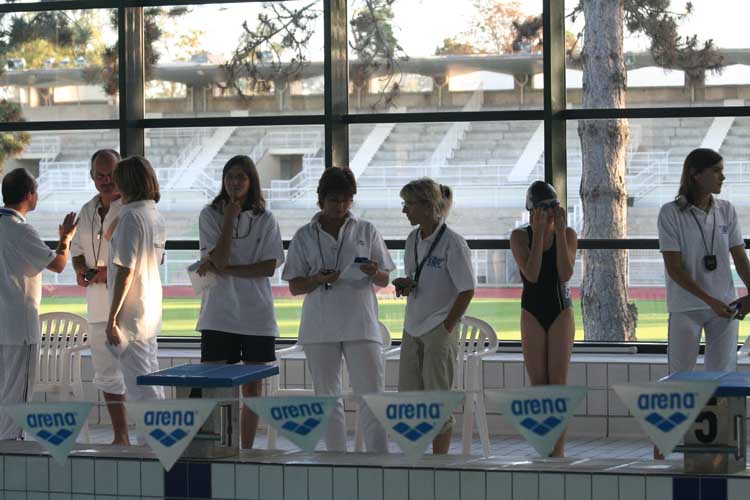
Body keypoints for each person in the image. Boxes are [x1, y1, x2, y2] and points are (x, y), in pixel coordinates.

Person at [282, 167, 393, 453]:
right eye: (334, 200)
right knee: (328, 399)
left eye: (346, 200)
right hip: (320, 327)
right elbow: (294, 286)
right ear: (320, 200)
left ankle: (379, 460)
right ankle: (336, 459)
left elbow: (385, 279)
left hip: (361, 324)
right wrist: (317, 279)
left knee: (371, 396)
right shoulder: (304, 235)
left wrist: (374, 271)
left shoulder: (366, 229)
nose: (341, 206)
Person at [195, 155, 284, 449]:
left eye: (241, 177)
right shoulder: (210, 215)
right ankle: (221, 447)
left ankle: (245, 450)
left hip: (256, 313)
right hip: (218, 313)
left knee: (252, 388)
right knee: (215, 385)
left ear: (251, 181)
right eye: (230, 176)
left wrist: (227, 270)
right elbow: (218, 258)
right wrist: (229, 218)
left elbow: (268, 267)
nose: (234, 182)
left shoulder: (265, 218)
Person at [393, 178, 475, 455]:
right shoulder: (412, 239)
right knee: (410, 401)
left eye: (409, 204)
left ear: (428, 206)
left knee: (437, 402)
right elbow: (419, 277)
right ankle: (415, 459)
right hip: (412, 327)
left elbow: (467, 289)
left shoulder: (453, 242)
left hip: (438, 328)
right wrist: (406, 284)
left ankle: (439, 464)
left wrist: (447, 326)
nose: (404, 210)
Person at [0, 168, 77, 439]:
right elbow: (58, 264)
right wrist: (65, 239)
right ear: (30, 195)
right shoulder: (20, 230)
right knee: (16, 396)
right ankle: (11, 449)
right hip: (18, 327)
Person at [658, 148, 750, 374]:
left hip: (725, 307)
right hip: (686, 307)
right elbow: (674, 269)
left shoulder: (726, 210)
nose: (723, 177)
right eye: (716, 171)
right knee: (681, 377)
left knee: (722, 375)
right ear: (696, 174)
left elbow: (740, 258)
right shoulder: (671, 213)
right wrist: (710, 300)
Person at [510, 180, 577, 458]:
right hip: (532, 311)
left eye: (553, 206)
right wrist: (538, 236)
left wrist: (558, 233)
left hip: (561, 310)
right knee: (539, 385)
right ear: (531, 211)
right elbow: (533, 274)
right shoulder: (519, 237)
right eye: (543, 208)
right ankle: (543, 446)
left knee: (558, 384)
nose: (549, 212)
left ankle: (557, 451)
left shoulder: (568, 234)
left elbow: (565, 274)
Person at [105, 156, 167, 444]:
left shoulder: (132, 217)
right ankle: (161, 443)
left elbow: (125, 270)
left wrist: (112, 318)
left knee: (141, 388)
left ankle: (152, 448)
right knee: (150, 381)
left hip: (131, 315)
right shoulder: (153, 214)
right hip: (148, 311)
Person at [71, 149, 129, 444]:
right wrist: (81, 270)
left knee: (137, 374)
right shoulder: (87, 210)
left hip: (129, 309)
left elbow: (146, 261)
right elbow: (77, 252)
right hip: (96, 307)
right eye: (100, 175)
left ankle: (153, 441)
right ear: (92, 176)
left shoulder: (132, 210)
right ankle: (121, 436)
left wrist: (108, 273)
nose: (106, 181)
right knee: (106, 375)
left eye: (111, 175)